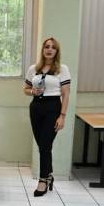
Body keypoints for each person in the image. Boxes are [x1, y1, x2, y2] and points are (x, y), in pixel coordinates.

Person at [23, 37, 71, 197]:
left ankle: (43, 180)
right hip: (36, 107)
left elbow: (66, 93)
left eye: (53, 47)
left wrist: (62, 116)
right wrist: (32, 92)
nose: (49, 49)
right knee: (43, 145)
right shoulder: (33, 69)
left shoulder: (62, 69)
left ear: (57, 51)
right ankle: (49, 174)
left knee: (45, 145)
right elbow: (26, 88)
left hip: (53, 108)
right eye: (46, 47)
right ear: (42, 50)